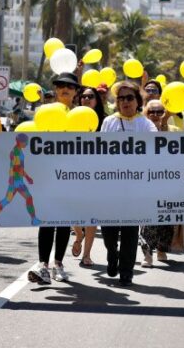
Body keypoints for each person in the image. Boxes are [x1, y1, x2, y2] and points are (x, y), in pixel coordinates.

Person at [100, 81, 157, 286]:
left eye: (129, 97)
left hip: (135, 188)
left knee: (131, 231)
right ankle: (111, 254)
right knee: (108, 230)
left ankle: (126, 271)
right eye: (121, 98)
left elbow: (155, 146)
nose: (125, 102)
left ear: (138, 101)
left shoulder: (145, 124)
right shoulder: (108, 122)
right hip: (109, 187)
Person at [28, 73, 80, 285]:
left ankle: (58, 263)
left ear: (76, 91)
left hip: (72, 174)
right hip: (48, 174)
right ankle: (43, 266)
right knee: (47, 221)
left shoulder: (81, 114)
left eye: (69, 86)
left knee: (64, 221)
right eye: (60, 85)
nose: (64, 88)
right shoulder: (45, 112)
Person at [140, 99, 179, 267]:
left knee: (166, 219)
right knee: (147, 219)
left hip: (169, 181)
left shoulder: (175, 131)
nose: (156, 115)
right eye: (152, 112)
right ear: (146, 114)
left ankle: (162, 250)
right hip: (146, 181)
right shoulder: (141, 131)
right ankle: (147, 253)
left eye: (160, 111)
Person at [71, 85, 106, 268]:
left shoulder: (105, 122)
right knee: (71, 212)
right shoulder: (71, 118)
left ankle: (87, 254)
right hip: (73, 174)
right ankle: (78, 234)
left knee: (92, 216)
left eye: (90, 96)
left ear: (97, 100)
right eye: (83, 96)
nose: (86, 99)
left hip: (97, 174)